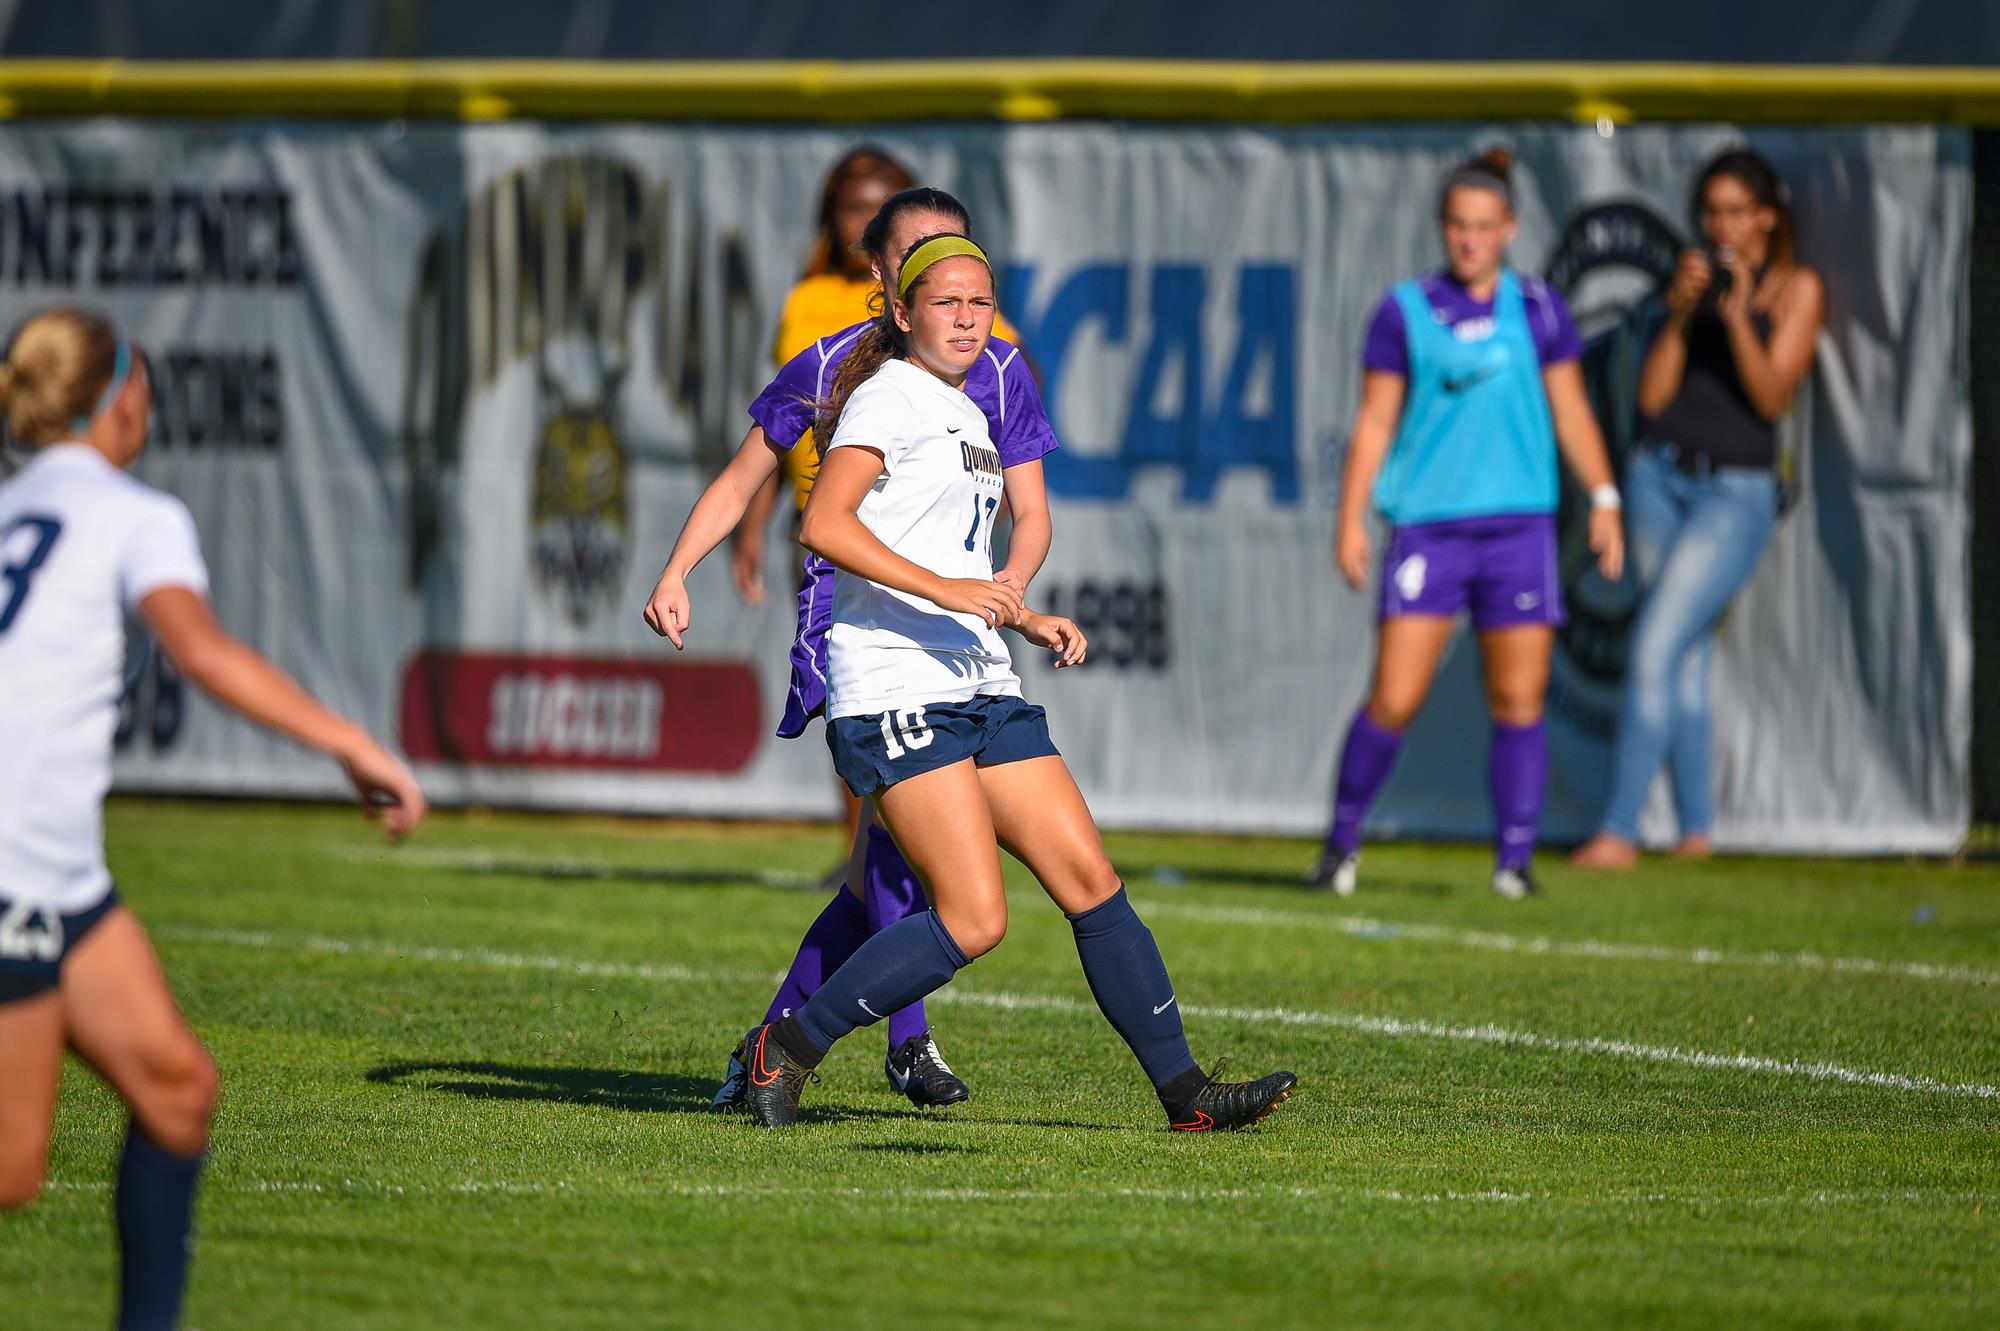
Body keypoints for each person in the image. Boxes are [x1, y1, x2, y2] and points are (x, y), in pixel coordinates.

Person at [735, 233, 1299, 1132]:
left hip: (978, 676)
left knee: (1090, 878)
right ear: (902, 311)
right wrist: (950, 590)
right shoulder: (888, 394)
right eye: (946, 300)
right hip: (895, 687)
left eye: (980, 302)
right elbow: (824, 524)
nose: (966, 317)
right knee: (972, 917)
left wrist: (1019, 611)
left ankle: (1187, 1095)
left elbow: (948, 550)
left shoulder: (969, 410)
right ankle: (788, 1047)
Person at [0, 306, 426, 1331]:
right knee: (11, 1166)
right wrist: (354, 744)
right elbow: (202, 649)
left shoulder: (18, 506)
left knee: (178, 1089)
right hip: (14, 869)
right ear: (121, 398)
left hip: (58, 873)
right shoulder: (133, 513)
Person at [642, 185, 1055, 1109]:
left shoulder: (999, 367)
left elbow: (1031, 512)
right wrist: (677, 569)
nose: (943, 274)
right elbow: (746, 475)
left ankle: (776, 1046)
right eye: (915, 254)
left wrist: (1010, 589)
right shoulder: (831, 364)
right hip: (857, 622)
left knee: (886, 868)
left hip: (957, 629)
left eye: (956, 251)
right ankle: (902, 1040)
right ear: (884, 280)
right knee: (895, 851)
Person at [1316, 147, 1624, 900]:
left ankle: (1513, 863)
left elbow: (1572, 409)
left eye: (1485, 226)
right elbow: (1377, 419)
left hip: (1519, 529)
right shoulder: (1405, 310)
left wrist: (1606, 497)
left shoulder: (1540, 308)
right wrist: (1351, 517)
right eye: (1458, 224)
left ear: (1510, 228)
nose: (1470, 239)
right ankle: (1341, 845)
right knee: (1394, 696)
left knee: (1518, 700)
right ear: (1443, 228)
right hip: (1428, 528)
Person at [1570, 149, 1823, 869]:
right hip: (1658, 475)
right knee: (1683, 659)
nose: (1723, 226)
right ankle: (1696, 831)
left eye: (1738, 211)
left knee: (1653, 644)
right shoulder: (1681, 285)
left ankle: (1618, 829)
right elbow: (1650, 400)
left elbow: (1774, 396)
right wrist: (1680, 314)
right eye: (1712, 211)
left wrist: (1738, 316)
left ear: (1768, 217)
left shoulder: (1794, 289)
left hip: (1733, 494)